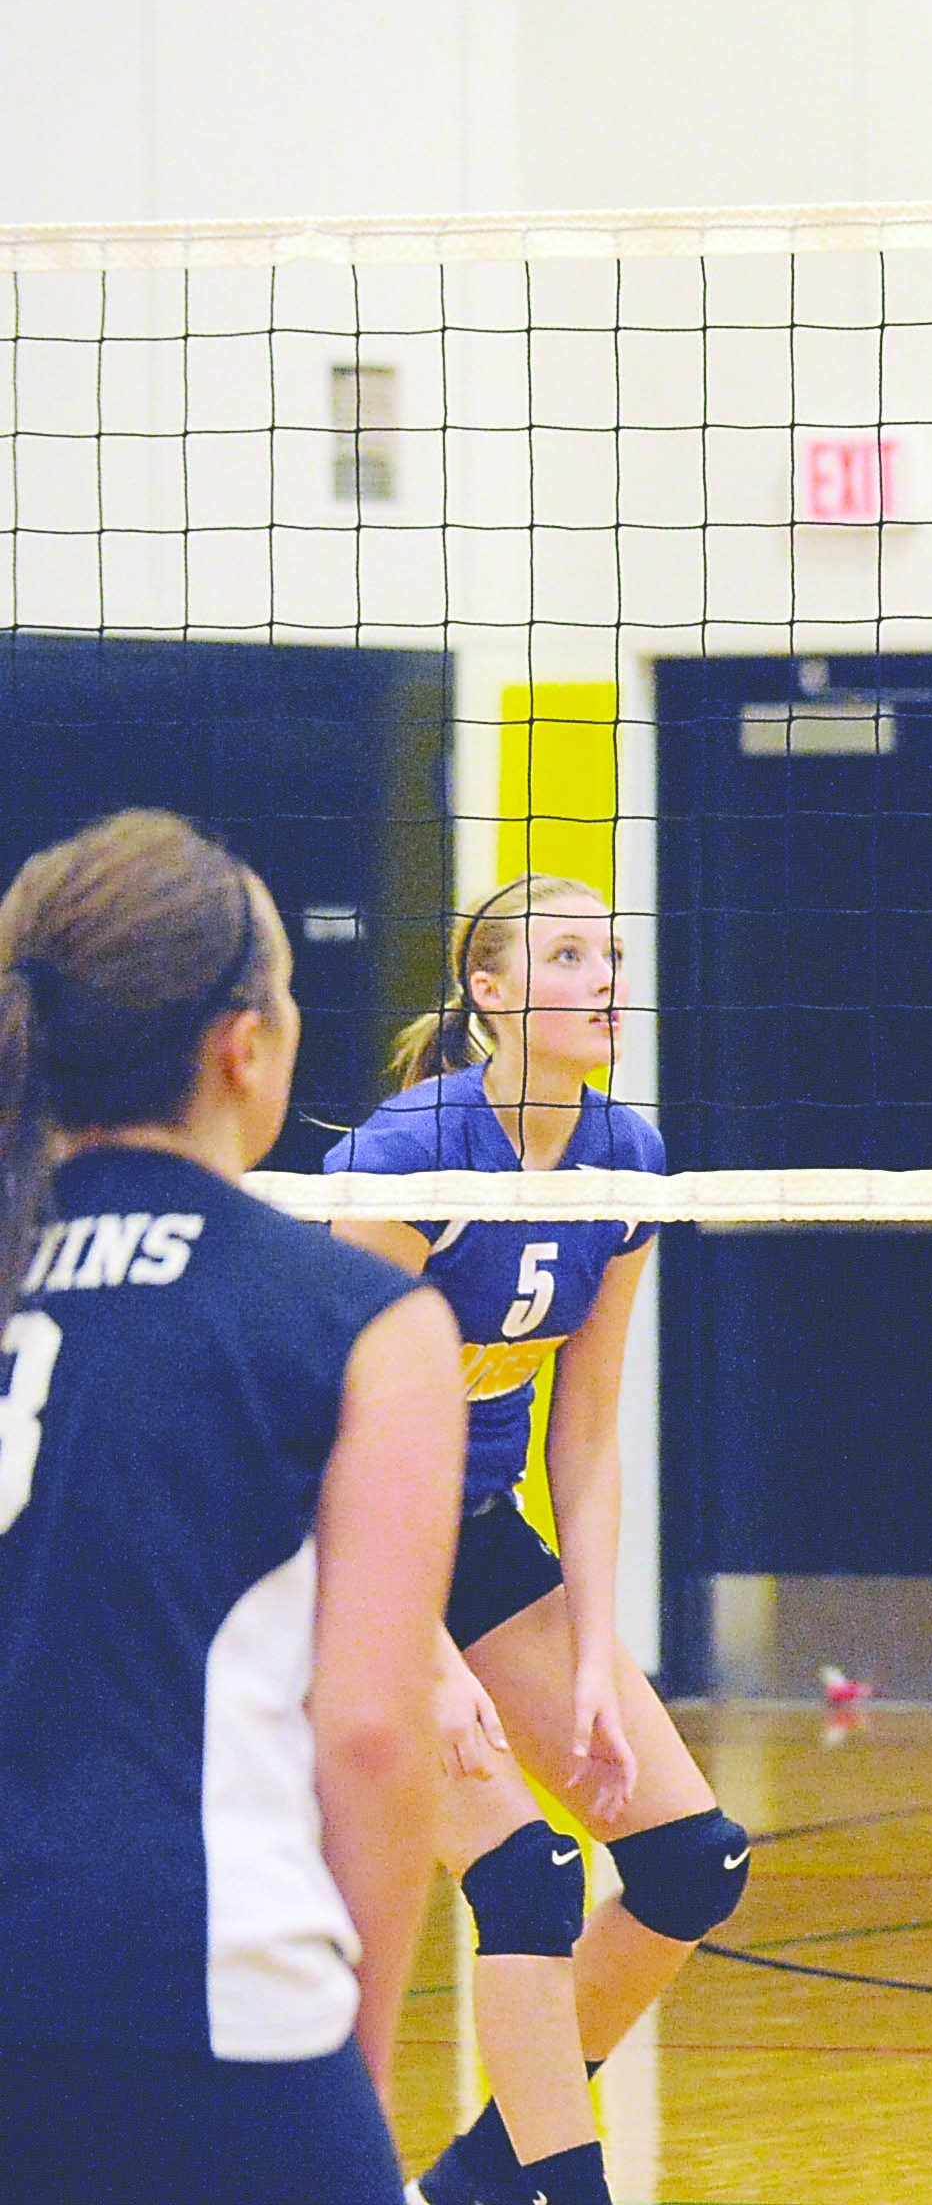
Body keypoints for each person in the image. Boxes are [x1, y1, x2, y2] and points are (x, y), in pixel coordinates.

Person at [0, 809, 465, 2204]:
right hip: (202, 1988)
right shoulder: (358, 1320)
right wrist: (357, 2059)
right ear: (241, 1046)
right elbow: (377, 1738)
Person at [326, 874, 746, 2205]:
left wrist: (590, 1648)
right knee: (525, 1870)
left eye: (613, 952)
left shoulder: (628, 1158)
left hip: (477, 1533)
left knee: (693, 1859)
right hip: (329, 1539)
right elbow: (319, 1415)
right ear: (491, 995)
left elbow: (587, 1433)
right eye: (568, 955)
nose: (605, 976)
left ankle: (481, 2181)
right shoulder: (411, 1156)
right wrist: (422, 1659)